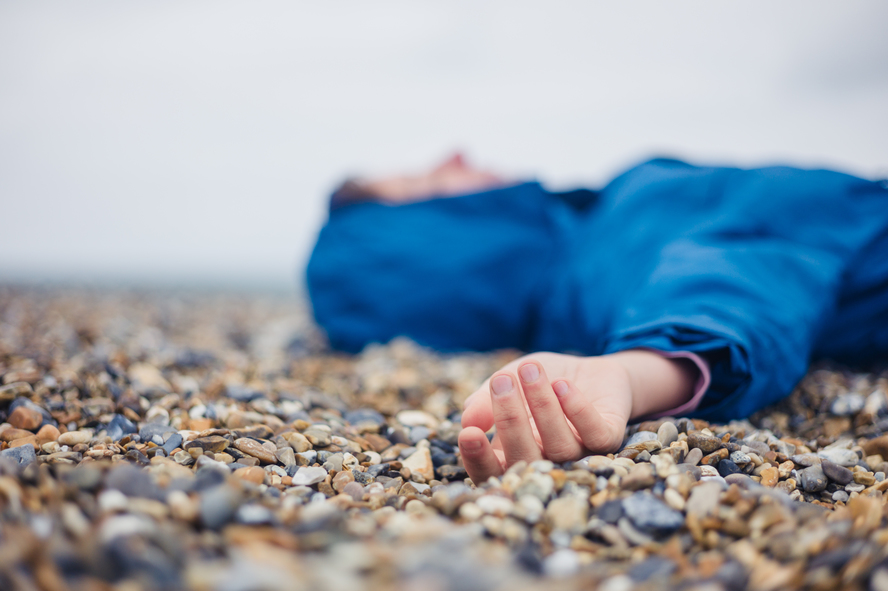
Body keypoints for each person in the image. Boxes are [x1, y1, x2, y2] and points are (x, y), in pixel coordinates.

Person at [306, 153, 888, 484]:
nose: (455, 156)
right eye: (429, 182)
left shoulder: (588, 233)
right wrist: (636, 370)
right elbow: (730, 273)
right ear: (440, 252)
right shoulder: (594, 263)